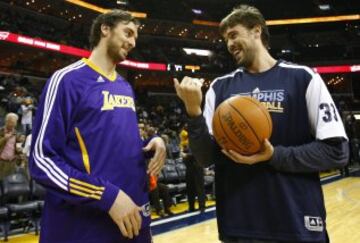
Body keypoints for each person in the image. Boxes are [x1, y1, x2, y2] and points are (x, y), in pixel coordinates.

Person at [174, 4, 349, 243]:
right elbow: (206, 157)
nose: (229, 44)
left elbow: (336, 152)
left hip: (297, 221)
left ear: (256, 30)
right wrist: (193, 113)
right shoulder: (220, 87)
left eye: (234, 34)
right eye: (226, 39)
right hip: (241, 225)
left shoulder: (303, 78)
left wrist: (273, 155)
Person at [29, 10, 166, 243]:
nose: (133, 42)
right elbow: (42, 160)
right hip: (84, 227)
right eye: (128, 32)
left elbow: (108, 144)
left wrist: (152, 145)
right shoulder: (66, 80)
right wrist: (106, 196)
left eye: (135, 37)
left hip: (133, 221)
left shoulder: (124, 86)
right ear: (105, 29)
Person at [0, 113, 24, 179]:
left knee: (9, 183)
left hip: (12, 163)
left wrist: (20, 148)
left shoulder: (16, 133)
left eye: (15, 122)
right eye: (12, 122)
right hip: (1, 163)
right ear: (6, 121)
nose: (13, 124)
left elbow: (17, 147)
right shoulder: (1, 131)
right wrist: (4, 139)